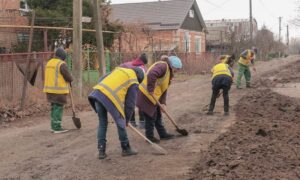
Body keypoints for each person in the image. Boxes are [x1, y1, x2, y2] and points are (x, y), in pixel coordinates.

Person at [88, 67, 144, 159]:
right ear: (139, 79)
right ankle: (125, 148)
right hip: (110, 98)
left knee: (102, 123)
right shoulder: (134, 81)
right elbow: (130, 104)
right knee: (120, 122)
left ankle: (101, 151)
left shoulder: (121, 70)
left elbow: (102, 78)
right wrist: (126, 119)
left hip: (98, 93)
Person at [136, 55, 182, 143]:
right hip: (146, 94)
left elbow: (164, 89)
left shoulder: (169, 72)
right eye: (178, 69)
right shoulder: (163, 66)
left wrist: (163, 103)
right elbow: (152, 73)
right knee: (150, 116)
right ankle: (149, 137)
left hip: (153, 96)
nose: (178, 71)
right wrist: (150, 88)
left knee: (158, 116)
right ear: (173, 66)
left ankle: (163, 134)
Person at [43, 48, 73, 133]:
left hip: (49, 90)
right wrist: (71, 79)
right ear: (63, 56)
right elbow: (68, 76)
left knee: (54, 108)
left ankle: (53, 126)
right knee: (58, 108)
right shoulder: (61, 64)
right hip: (58, 91)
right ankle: (57, 127)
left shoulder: (49, 63)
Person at [119, 53, 148, 129]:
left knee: (129, 102)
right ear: (144, 62)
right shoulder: (143, 68)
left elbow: (118, 69)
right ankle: (142, 122)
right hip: (136, 85)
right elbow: (145, 80)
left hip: (126, 84)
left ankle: (131, 121)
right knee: (140, 102)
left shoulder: (127, 64)